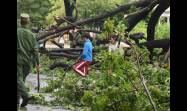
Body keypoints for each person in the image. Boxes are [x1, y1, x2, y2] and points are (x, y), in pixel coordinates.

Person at [17, 13, 40, 107]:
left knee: (18, 79)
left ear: (20, 21)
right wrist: (37, 63)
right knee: (20, 80)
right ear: (28, 22)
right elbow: (35, 50)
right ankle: (18, 101)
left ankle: (25, 96)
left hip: (18, 60)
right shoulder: (32, 35)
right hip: (27, 61)